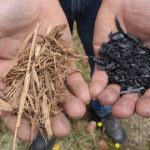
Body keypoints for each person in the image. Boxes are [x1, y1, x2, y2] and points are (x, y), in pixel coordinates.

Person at [0, 0, 150, 149]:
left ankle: (102, 112)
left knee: (101, 66)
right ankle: (45, 117)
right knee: (62, 68)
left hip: (100, 5)